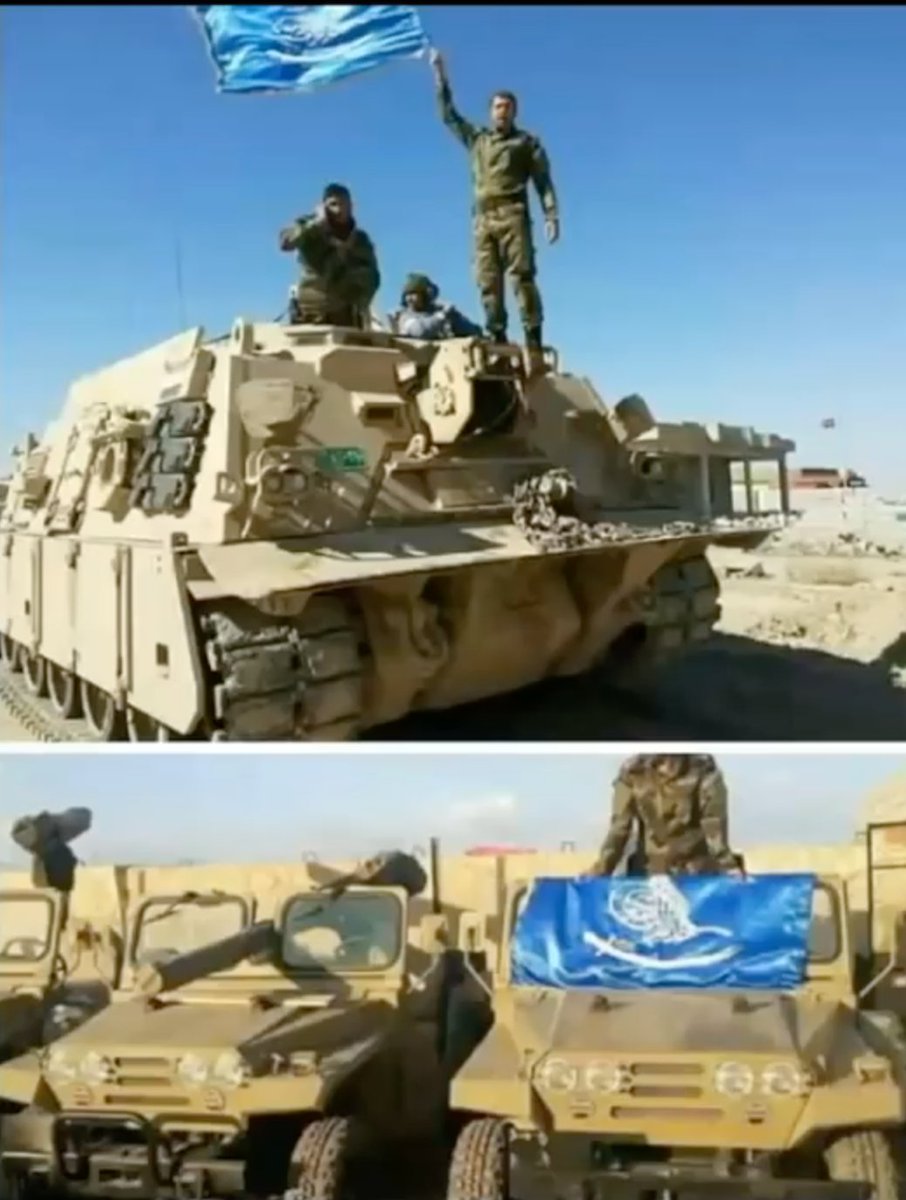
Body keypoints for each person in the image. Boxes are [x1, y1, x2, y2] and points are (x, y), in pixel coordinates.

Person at [429, 49, 559, 352]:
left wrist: (551, 215)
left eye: (508, 107)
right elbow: (449, 115)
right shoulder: (478, 140)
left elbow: (543, 182)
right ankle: (497, 333)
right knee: (488, 281)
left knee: (522, 278)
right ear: (490, 111)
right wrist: (439, 75)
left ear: (515, 112)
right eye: (498, 107)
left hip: (513, 212)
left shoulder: (526, 143)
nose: (502, 111)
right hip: (483, 218)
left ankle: (533, 336)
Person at [586, 755, 744, 877]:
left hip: (653, 875)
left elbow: (619, 828)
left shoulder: (633, 772)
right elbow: (713, 826)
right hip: (694, 877)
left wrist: (602, 870)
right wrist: (728, 867)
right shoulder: (704, 769)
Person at [279, 183, 380, 328]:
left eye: (343, 204)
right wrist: (316, 223)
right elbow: (285, 243)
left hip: (344, 315)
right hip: (309, 314)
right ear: (323, 206)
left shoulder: (360, 240)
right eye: (333, 204)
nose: (339, 209)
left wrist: (360, 303)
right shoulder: (309, 227)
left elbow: (372, 278)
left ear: (351, 206)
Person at [393, 273, 484, 339]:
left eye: (414, 294)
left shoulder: (437, 310)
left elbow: (471, 331)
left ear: (424, 295)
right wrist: (442, 316)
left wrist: (453, 316)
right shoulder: (404, 316)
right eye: (407, 295)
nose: (409, 299)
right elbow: (419, 331)